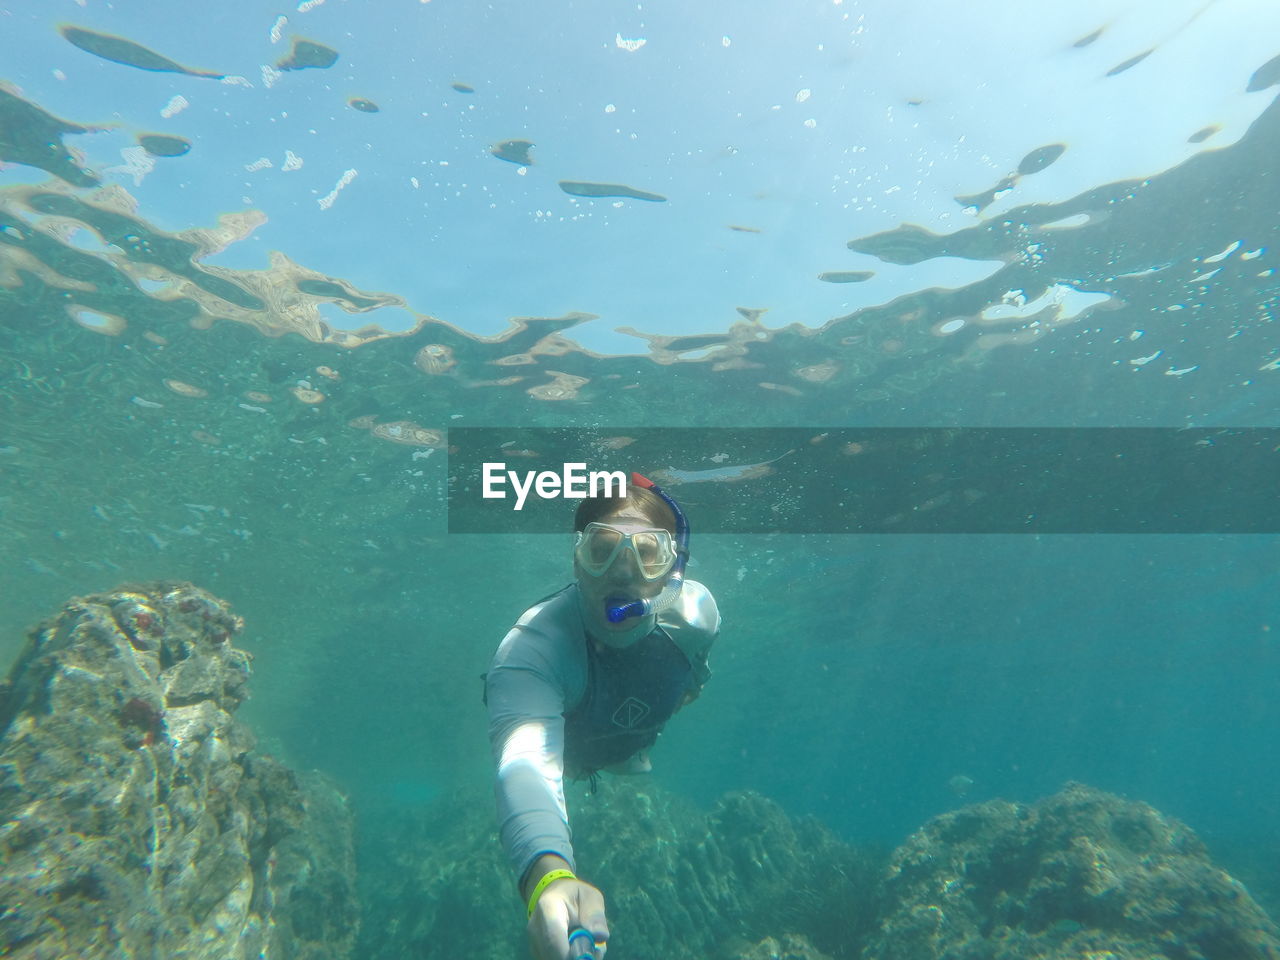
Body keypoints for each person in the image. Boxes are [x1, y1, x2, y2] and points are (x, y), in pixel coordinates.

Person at [484, 472, 721, 960]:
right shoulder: (533, 649)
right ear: (577, 558)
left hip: (632, 748)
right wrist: (549, 876)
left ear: (673, 568)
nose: (623, 571)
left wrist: (687, 689)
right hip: (570, 757)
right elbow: (524, 764)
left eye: (648, 552)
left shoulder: (697, 616)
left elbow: (695, 673)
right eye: (603, 549)